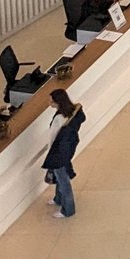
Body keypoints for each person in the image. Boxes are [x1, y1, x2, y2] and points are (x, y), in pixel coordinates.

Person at [41, 89, 85, 218]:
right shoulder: (72, 113)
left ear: (58, 102)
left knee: (63, 179)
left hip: (58, 152)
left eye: (51, 101)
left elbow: (54, 136)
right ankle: (58, 199)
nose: (49, 103)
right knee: (59, 175)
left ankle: (68, 210)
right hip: (66, 149)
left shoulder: (60, 118)